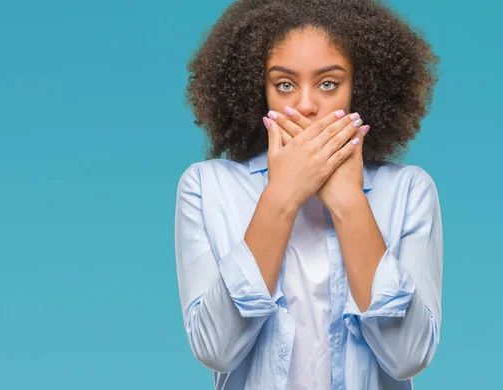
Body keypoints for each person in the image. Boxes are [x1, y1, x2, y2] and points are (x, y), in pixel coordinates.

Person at [174, 0, 443, 388]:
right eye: (284, 84)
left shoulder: (409, 190)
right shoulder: (206, 186)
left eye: (328, 83)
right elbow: (216, 350)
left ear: (361, 90)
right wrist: (282, 195)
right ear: (258, 92)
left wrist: (350, 203)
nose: (305, 104)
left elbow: (407, 358)